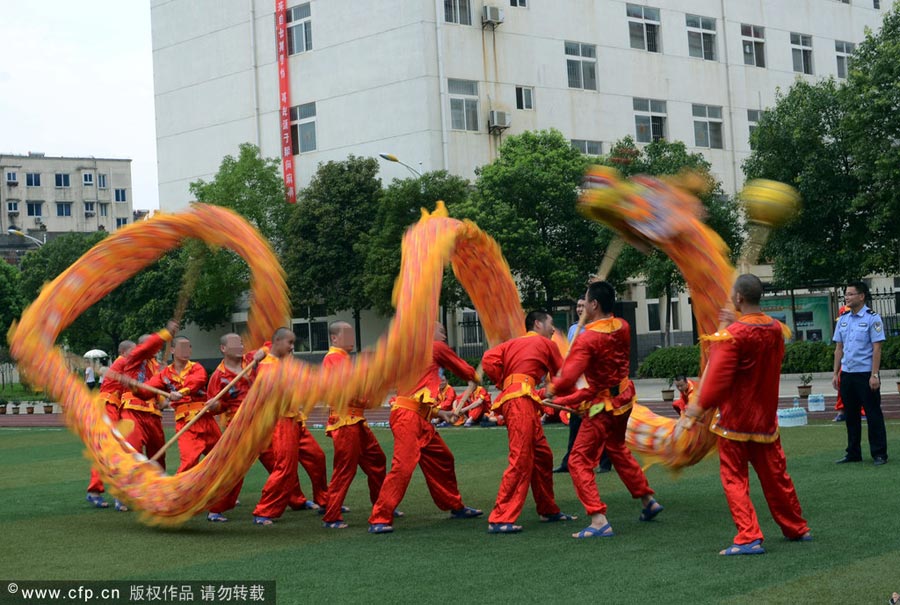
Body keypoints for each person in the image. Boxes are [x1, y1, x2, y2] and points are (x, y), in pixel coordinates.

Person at [686, 274, 811, 555]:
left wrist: (696, 408)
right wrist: (732, 328)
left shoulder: (733, 336)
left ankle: (749, 535)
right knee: (776, 477)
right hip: (765, 419)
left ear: (739, 298)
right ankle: (796, 527)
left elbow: (717, 379)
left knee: (734, 478)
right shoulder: (776, 329)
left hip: (735, 420)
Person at [551, 281, 662, 539]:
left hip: (603, 406)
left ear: (594, 305)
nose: (581, 307)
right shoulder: (623, 326)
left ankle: (598, 519)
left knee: (578, 460)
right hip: (623, 398)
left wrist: (552, 388)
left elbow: (568, 381)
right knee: (617, 448)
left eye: (585, 302)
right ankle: (647, 500)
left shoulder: (587, 337)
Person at [368, 323, 483, 533]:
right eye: (441, 331)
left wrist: (440, 413)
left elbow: (417, 397)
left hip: (418, 417)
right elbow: (462, 368)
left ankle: (455, 505)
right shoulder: (433, 347)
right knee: (403, 466)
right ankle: (380, 517)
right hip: (408, 419)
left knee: (443, 458)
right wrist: (474, 376)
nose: (444, 335)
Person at [482, 310, 576, 533]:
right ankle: (500, 518)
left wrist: (504, 381)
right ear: (537, 324)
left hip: (520, 399)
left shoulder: (511, 343)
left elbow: (487, 360)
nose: (554, 329)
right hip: (520, 401)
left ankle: (547, 509)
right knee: (521, 458)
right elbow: (562, 376)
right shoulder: (546, 344)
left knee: (543, 456)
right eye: (551, 324)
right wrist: (575, 396)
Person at [319, 322, 388, 529]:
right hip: (345, 420)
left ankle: (382, 505)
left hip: (356, 419)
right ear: (334, 338)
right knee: (344, 469)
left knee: (377, 460)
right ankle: (332, 516)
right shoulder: (333, 358)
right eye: (346, 335)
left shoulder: (344, 359)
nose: (351, 339)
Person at [206, 333, 265, 522]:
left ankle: (295, 500)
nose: (240, 346)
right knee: (235, 468)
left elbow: (270, 346)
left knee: (280, 462)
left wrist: (261, 354)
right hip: (238, 427)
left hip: (261, 421)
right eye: (235, 343)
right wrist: (214, 405)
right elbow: (215, 408)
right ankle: (216, 509)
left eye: (241, 343)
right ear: (224, 348)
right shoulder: (218, 376)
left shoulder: (251, 358)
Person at [252, 327, 304, 525]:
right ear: (278, 341)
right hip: (281, 420)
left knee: (288, 467)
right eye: (289, 343)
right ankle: (264, 510)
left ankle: (276, 507)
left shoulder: (279, 363)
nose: (292, 348)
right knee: (284, 466)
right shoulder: (268, 367)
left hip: (291, 417)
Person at [832, 281, 888, 466]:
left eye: (850, 294)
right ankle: (853, 452)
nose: (847, 297)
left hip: (865, 374)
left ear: (861, 296)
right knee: (851, 416)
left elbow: (877, 348)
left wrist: (875, 374)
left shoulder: (873, 318)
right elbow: (839, 348)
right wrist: (835, 373)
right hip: (847, 374)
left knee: (873, 414)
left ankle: (879, 453)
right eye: (846, 294)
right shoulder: (844, 319)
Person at [119, 321, 178, 470]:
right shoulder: (134, 359)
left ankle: (158, 489)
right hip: (133, 411)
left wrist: (170, 397)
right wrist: (165, 333)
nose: (155, 349)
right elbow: (149, 345)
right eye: (152, 345)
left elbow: (166, 390)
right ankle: (131, 489)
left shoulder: (158, 367)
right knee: (133, 452)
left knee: (158, 455)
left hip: (153, 415)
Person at [85, 340, 135, 511]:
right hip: (107, 409)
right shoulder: (122, 362)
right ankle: (117, 495)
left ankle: (96, 491)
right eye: (134, 352)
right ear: (125, 352)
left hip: (111, 409)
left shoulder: (123, 365)